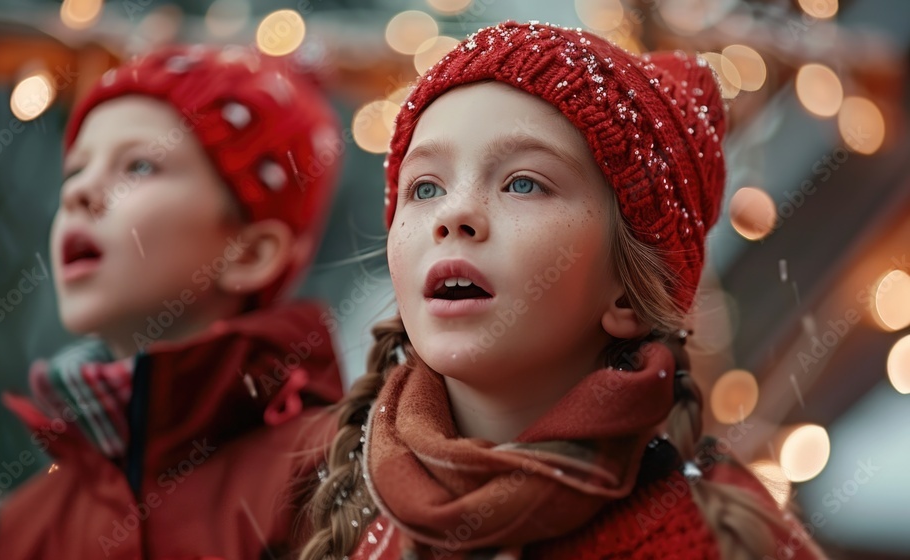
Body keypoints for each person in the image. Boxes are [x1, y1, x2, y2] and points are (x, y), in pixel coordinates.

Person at [299, 21, 826, 560]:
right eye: (425, 187)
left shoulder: (709, 544)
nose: (453, 213)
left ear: (626, 294)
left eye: (523, 182)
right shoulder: (351, 517)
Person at [0, 44, 344, 559]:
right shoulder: (21, 527)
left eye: (138, 166)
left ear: (248, 253)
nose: (80, 193)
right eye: (75, 171)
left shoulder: (331, 475)